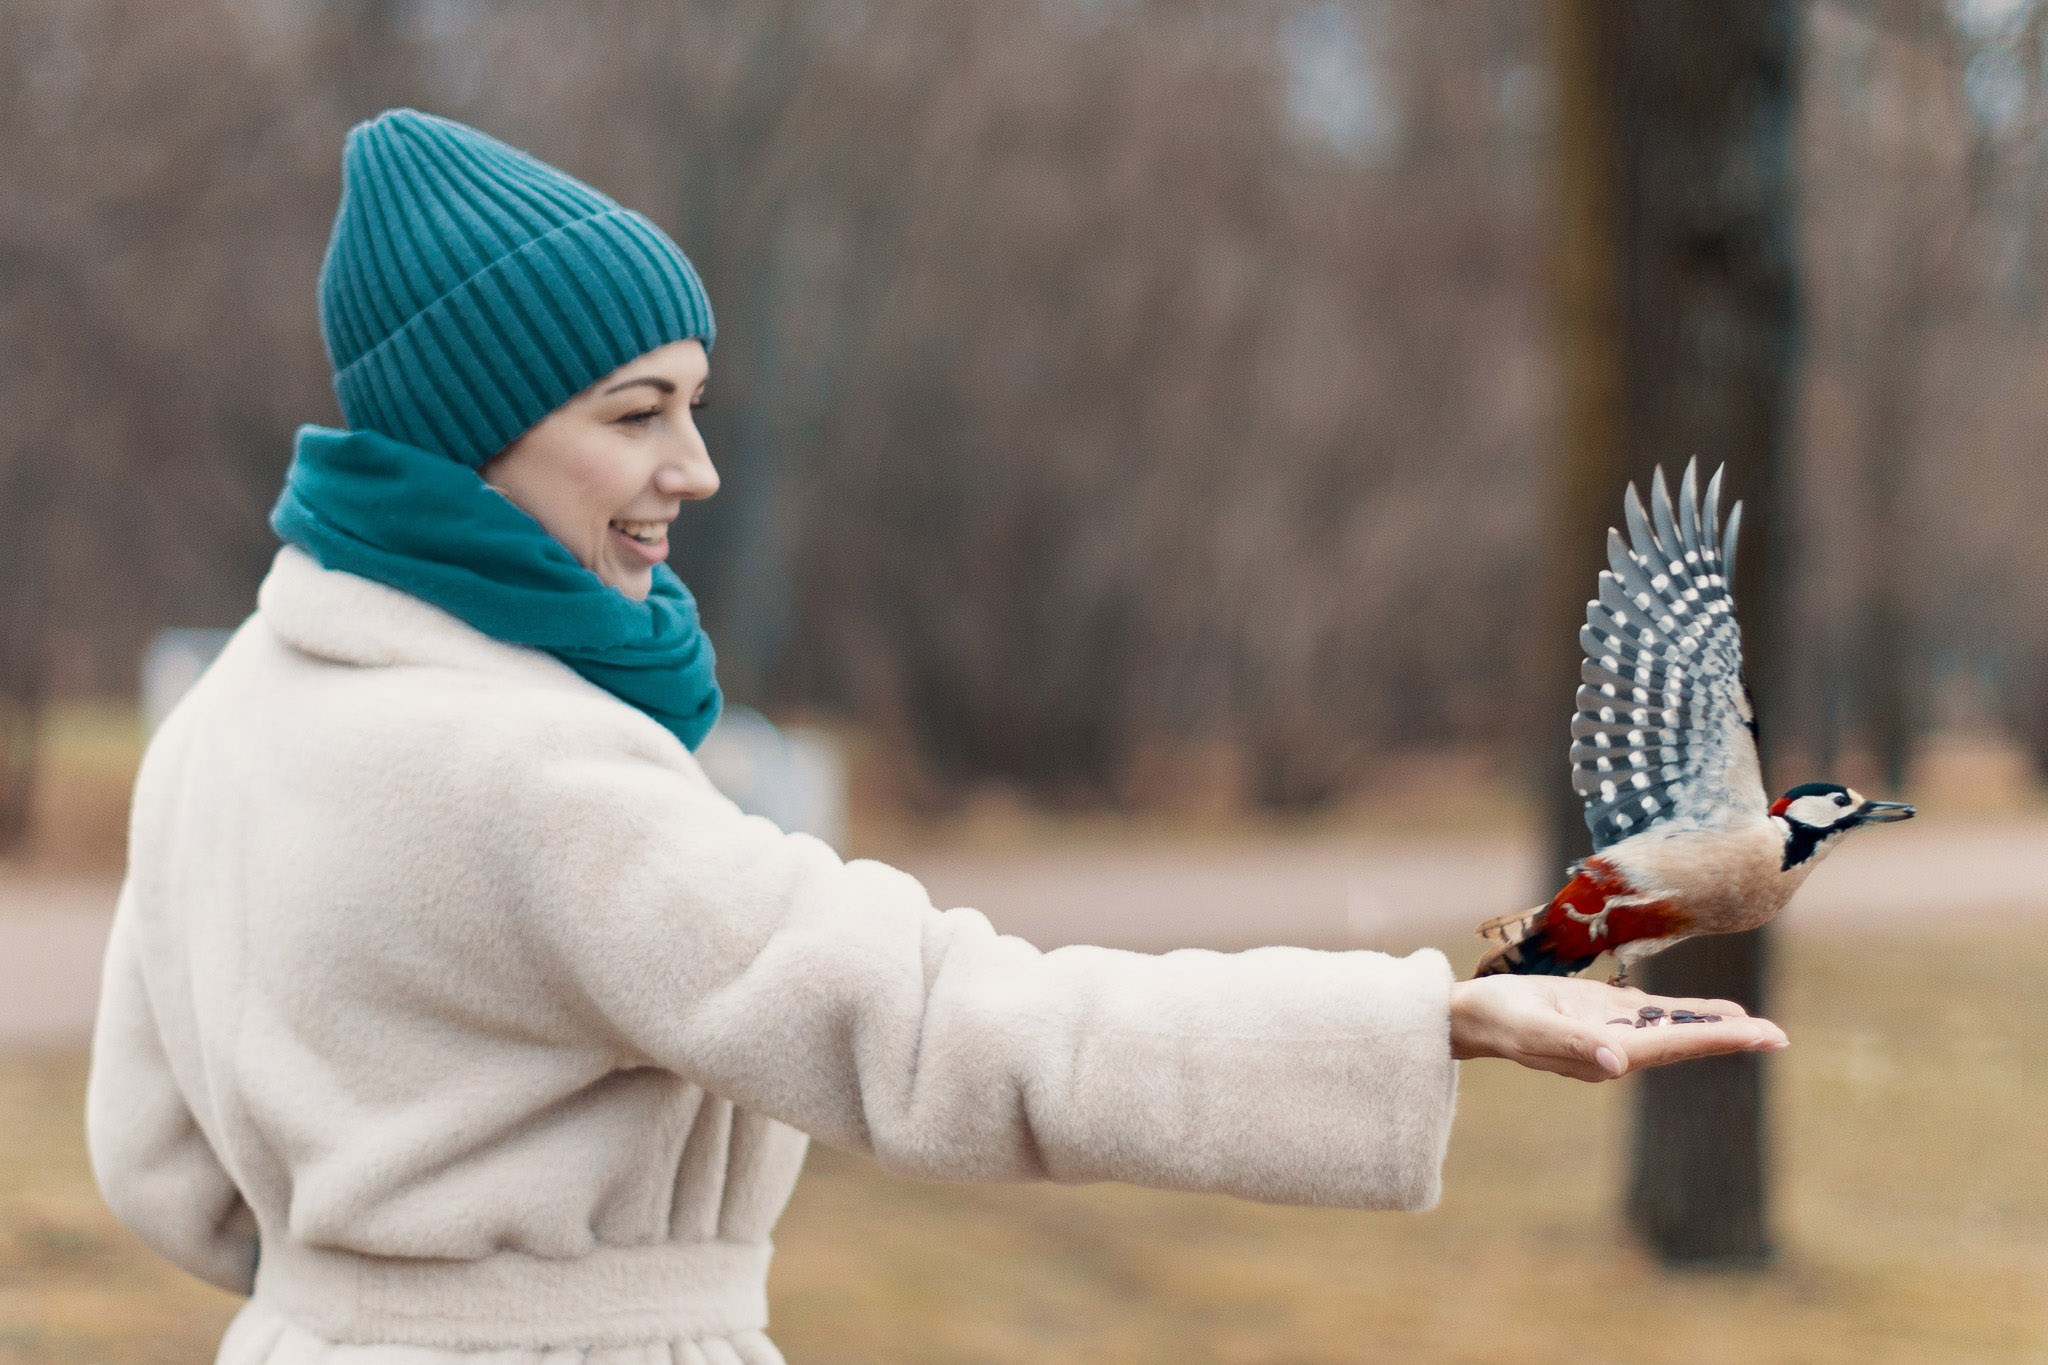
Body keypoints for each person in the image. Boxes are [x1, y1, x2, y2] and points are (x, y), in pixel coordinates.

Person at [85, 109, 1788, 1364]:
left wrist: (371, 1299)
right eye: (636, 414)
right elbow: (948, 1031)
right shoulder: (539, 777)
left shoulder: (227, 717)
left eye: (695, 401)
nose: (697, 467)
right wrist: (1435, 1018)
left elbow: (156, 1164)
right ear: (473, 438)